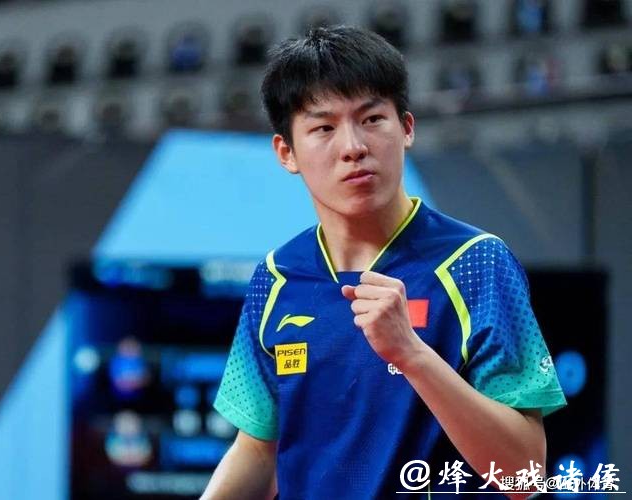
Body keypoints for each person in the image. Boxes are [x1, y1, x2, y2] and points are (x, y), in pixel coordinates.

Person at [201, 25, 566, 499]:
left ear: (407, 128)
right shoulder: (274, 278)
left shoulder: (476, 263)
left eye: (372, 119)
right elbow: (259, 451)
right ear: (286, 152)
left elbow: (525, 475)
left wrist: (412, 354)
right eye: (324, 128)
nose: (353, 147)